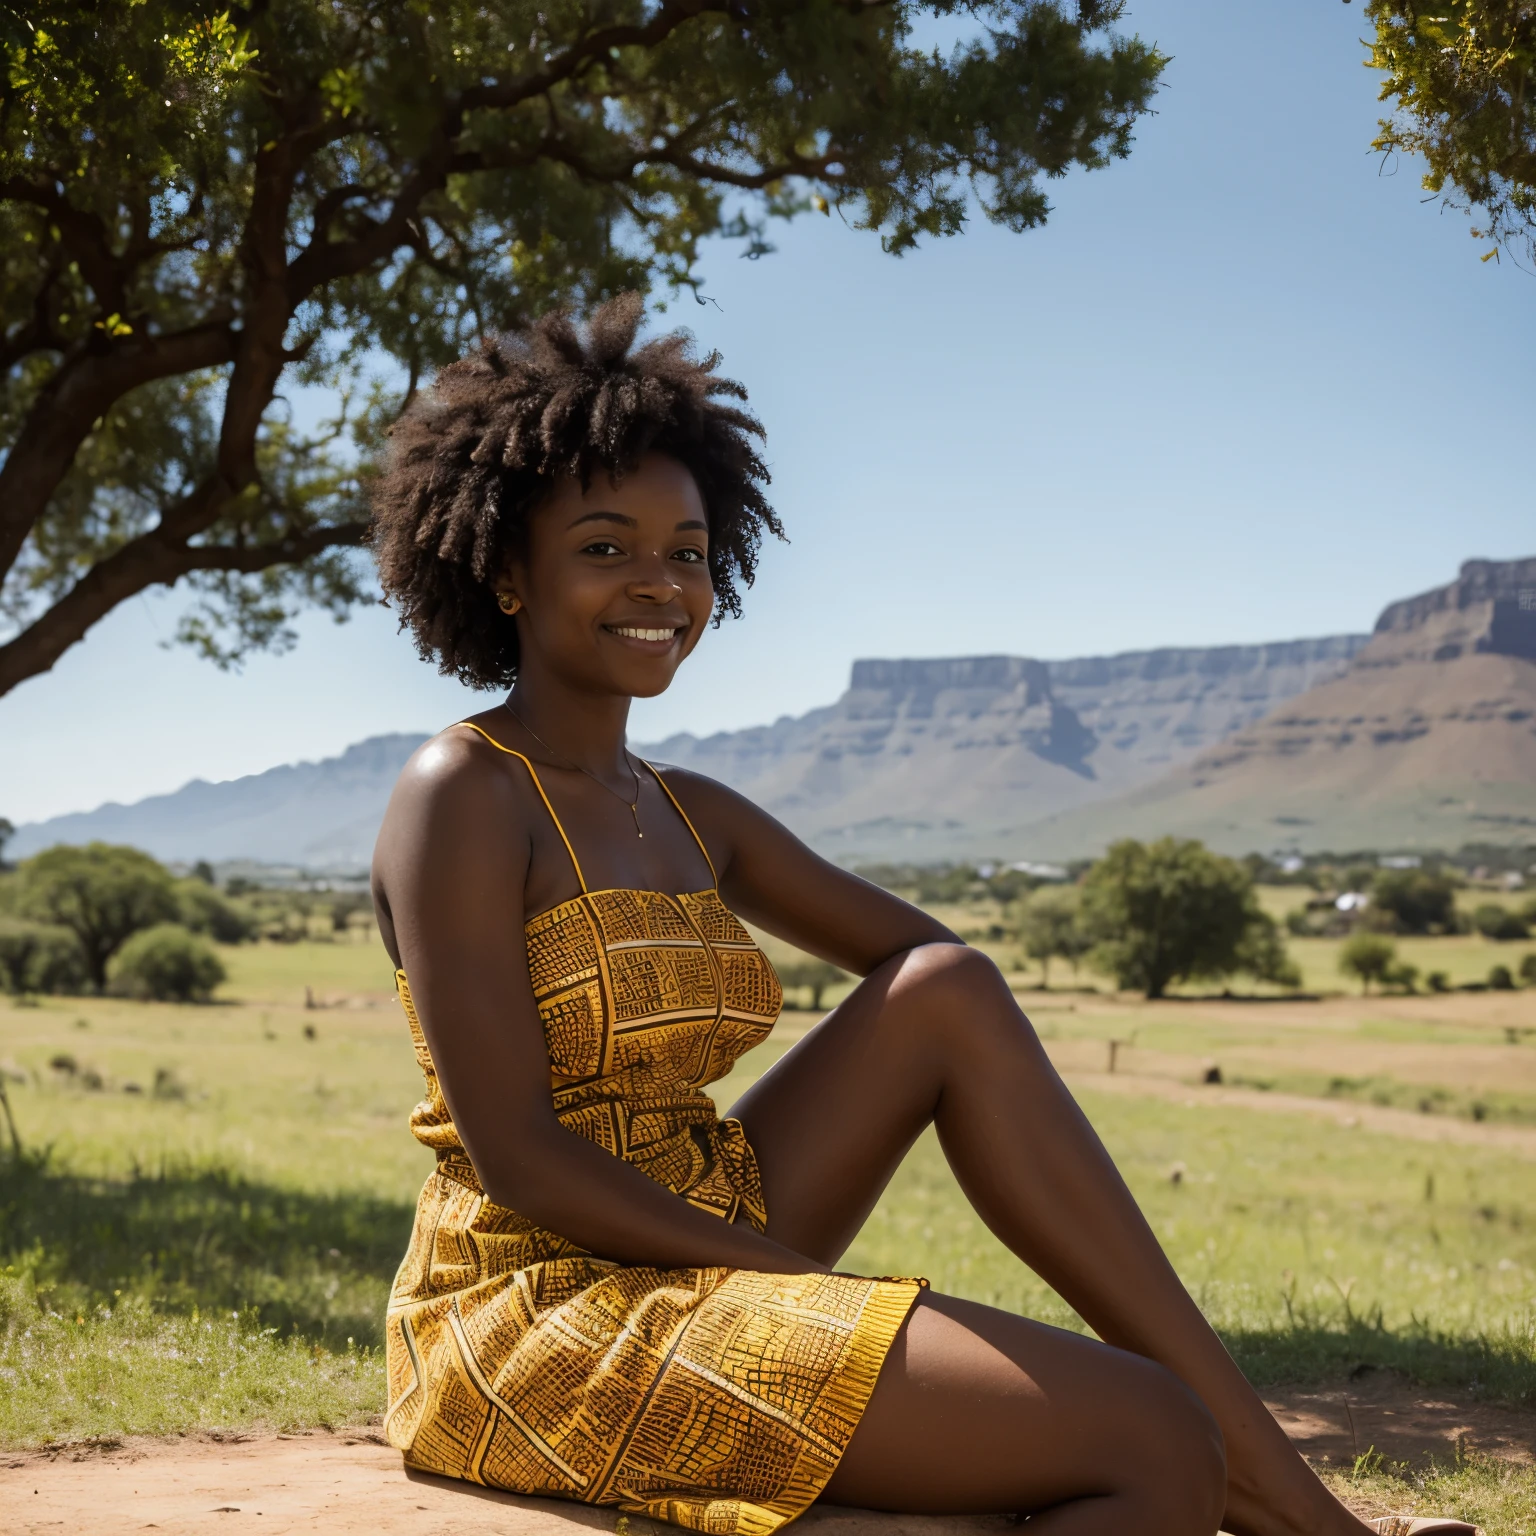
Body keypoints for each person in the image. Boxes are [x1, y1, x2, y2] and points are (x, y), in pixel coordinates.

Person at [367, 297, 1472, 1536]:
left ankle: (1290, 1501)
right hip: (535, 1306)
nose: (658, 585)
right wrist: (801, 1287)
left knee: (949, 988)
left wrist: (814, 1232)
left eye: (688, 552)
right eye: (607, 548)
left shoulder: (690, 810)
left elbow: (931, 976)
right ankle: (1293, 1516)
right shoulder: (464, 792)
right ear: (508, 571)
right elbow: (518, 1154)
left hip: (702, 1220)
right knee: (1157, 1445)